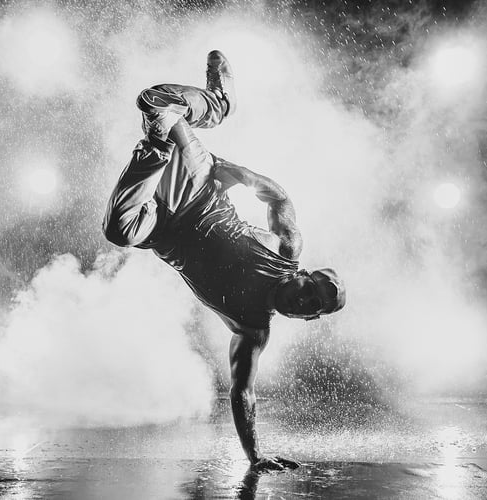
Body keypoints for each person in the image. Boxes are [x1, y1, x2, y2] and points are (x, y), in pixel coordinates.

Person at [103, 50, 346, 471]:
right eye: (311, 292)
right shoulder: (286, 249)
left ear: (308, 318)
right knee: (154, 100)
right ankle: (218, 103)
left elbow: (242, 392)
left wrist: (254, 456)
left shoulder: (252, 329)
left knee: (119, 231)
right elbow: (280, 198)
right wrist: (234, 171)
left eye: (312, 307)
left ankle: (158, 145)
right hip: (197, 188)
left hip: (162, 231)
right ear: (304, 275)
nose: (305, 302)